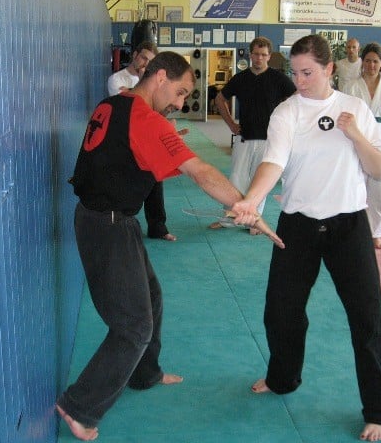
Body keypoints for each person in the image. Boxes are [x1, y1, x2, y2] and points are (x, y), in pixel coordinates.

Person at [57, 51, 282, 441]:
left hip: (111, 219)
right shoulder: (145, 118)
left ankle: (144, 373)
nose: (180, 103)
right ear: (160, 77)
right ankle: (79, 406)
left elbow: (121, 153)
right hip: (106, 225)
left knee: (152, 296)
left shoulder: (115, 103)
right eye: (179, 92)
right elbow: (201, 172)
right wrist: (247, 208)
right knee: (133, 327)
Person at [232, 35, 381, 442]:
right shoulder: (286, 112)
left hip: (349, 227)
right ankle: (283, 378)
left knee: (367, 319)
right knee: (281, 312)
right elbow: (274, 162)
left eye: (307, 72)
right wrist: (251, 200)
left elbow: (377, 168)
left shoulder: (354, 108)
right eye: (295, 73)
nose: (300, 81)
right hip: (298, 225)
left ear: (329, 69)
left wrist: (355, 134)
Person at [210, 36, 296, 235]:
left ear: (269, 56)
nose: (259, 58)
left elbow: (296, 99)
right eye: (256, 54)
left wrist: (286, 124)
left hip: (269, 139)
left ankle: (254, 222)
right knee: (236, 179)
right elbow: (220, 99)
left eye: (263, 55)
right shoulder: (241, 78)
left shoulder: (278, 78)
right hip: (244, 136)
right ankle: (229, 219)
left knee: (260, 182)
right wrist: (231, 124)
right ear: (250, 55)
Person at [107, 41, 176, 241]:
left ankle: (158, 228)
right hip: (124, 139)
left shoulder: (153, 83)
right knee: (125, 183)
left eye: (150, 61)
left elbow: (158, 110)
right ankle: (118, 226)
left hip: (148, 137)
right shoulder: (116, 78)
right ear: (135, 55)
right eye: (143, 57)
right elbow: (130, 104)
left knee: (156, 180)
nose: (146, 63)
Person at [342, 42, 381, 249]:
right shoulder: (351, 85)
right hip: (357, 136)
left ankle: (376, 233)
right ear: (362, 62)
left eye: (375, 61)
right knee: (354, 186)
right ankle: (353, 232)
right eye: (368, 61)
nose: (371, 65)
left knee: (380, 190)